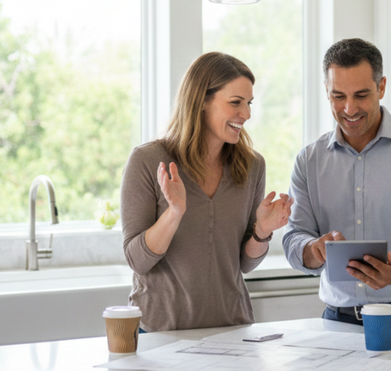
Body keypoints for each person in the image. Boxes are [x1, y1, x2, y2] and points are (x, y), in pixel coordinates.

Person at [282, 38, 391, 340]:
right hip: (337, 325)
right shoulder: (309, 160)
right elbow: (294, 236)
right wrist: (313, 251)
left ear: (381, 87)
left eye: (361, 95)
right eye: (338, 96)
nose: (349, 109)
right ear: (326, 92)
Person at [121, 52, 293, 332]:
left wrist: (262, 231)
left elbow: (244, 264)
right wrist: (174, 212)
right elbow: (138, 261)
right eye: (235, 103)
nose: (247, 114)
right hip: (161, 331)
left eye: (248, 103)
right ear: (201, 100)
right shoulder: (148, 160)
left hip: (233, 330)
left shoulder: (252, 166)